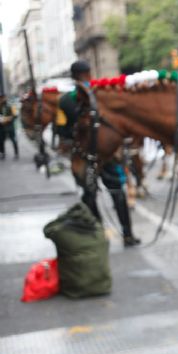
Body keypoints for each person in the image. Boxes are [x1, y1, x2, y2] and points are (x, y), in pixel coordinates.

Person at [60, 59, 141, 247]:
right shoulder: (101, 93)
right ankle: (128, 234)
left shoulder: (65, 100)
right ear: (89, 73)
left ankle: (99, 234)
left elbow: (63, 131)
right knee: (117, 191)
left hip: (83, 155)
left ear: (73, 76)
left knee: (89, 194)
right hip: (107, 153)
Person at [0, 94, 19, 160]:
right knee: (1, 141)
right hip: (1, 127)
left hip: (9, 127)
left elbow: (15, 115)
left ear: (4, 98)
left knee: (13, 140)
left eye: (2, 98)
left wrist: (9, 118)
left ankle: (16, 153)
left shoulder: (10, 105)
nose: (1, 100)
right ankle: (2, 153)